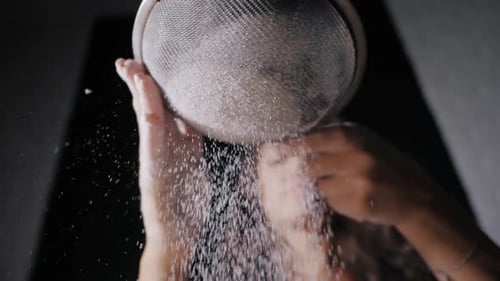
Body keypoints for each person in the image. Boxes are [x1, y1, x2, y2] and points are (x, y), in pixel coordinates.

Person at [115, 58, 500, 281]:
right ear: (254, 189)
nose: (301, 165)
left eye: (315, 150)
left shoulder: (408, 261)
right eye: (281, 159)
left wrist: (422, 206)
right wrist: (169, 239)